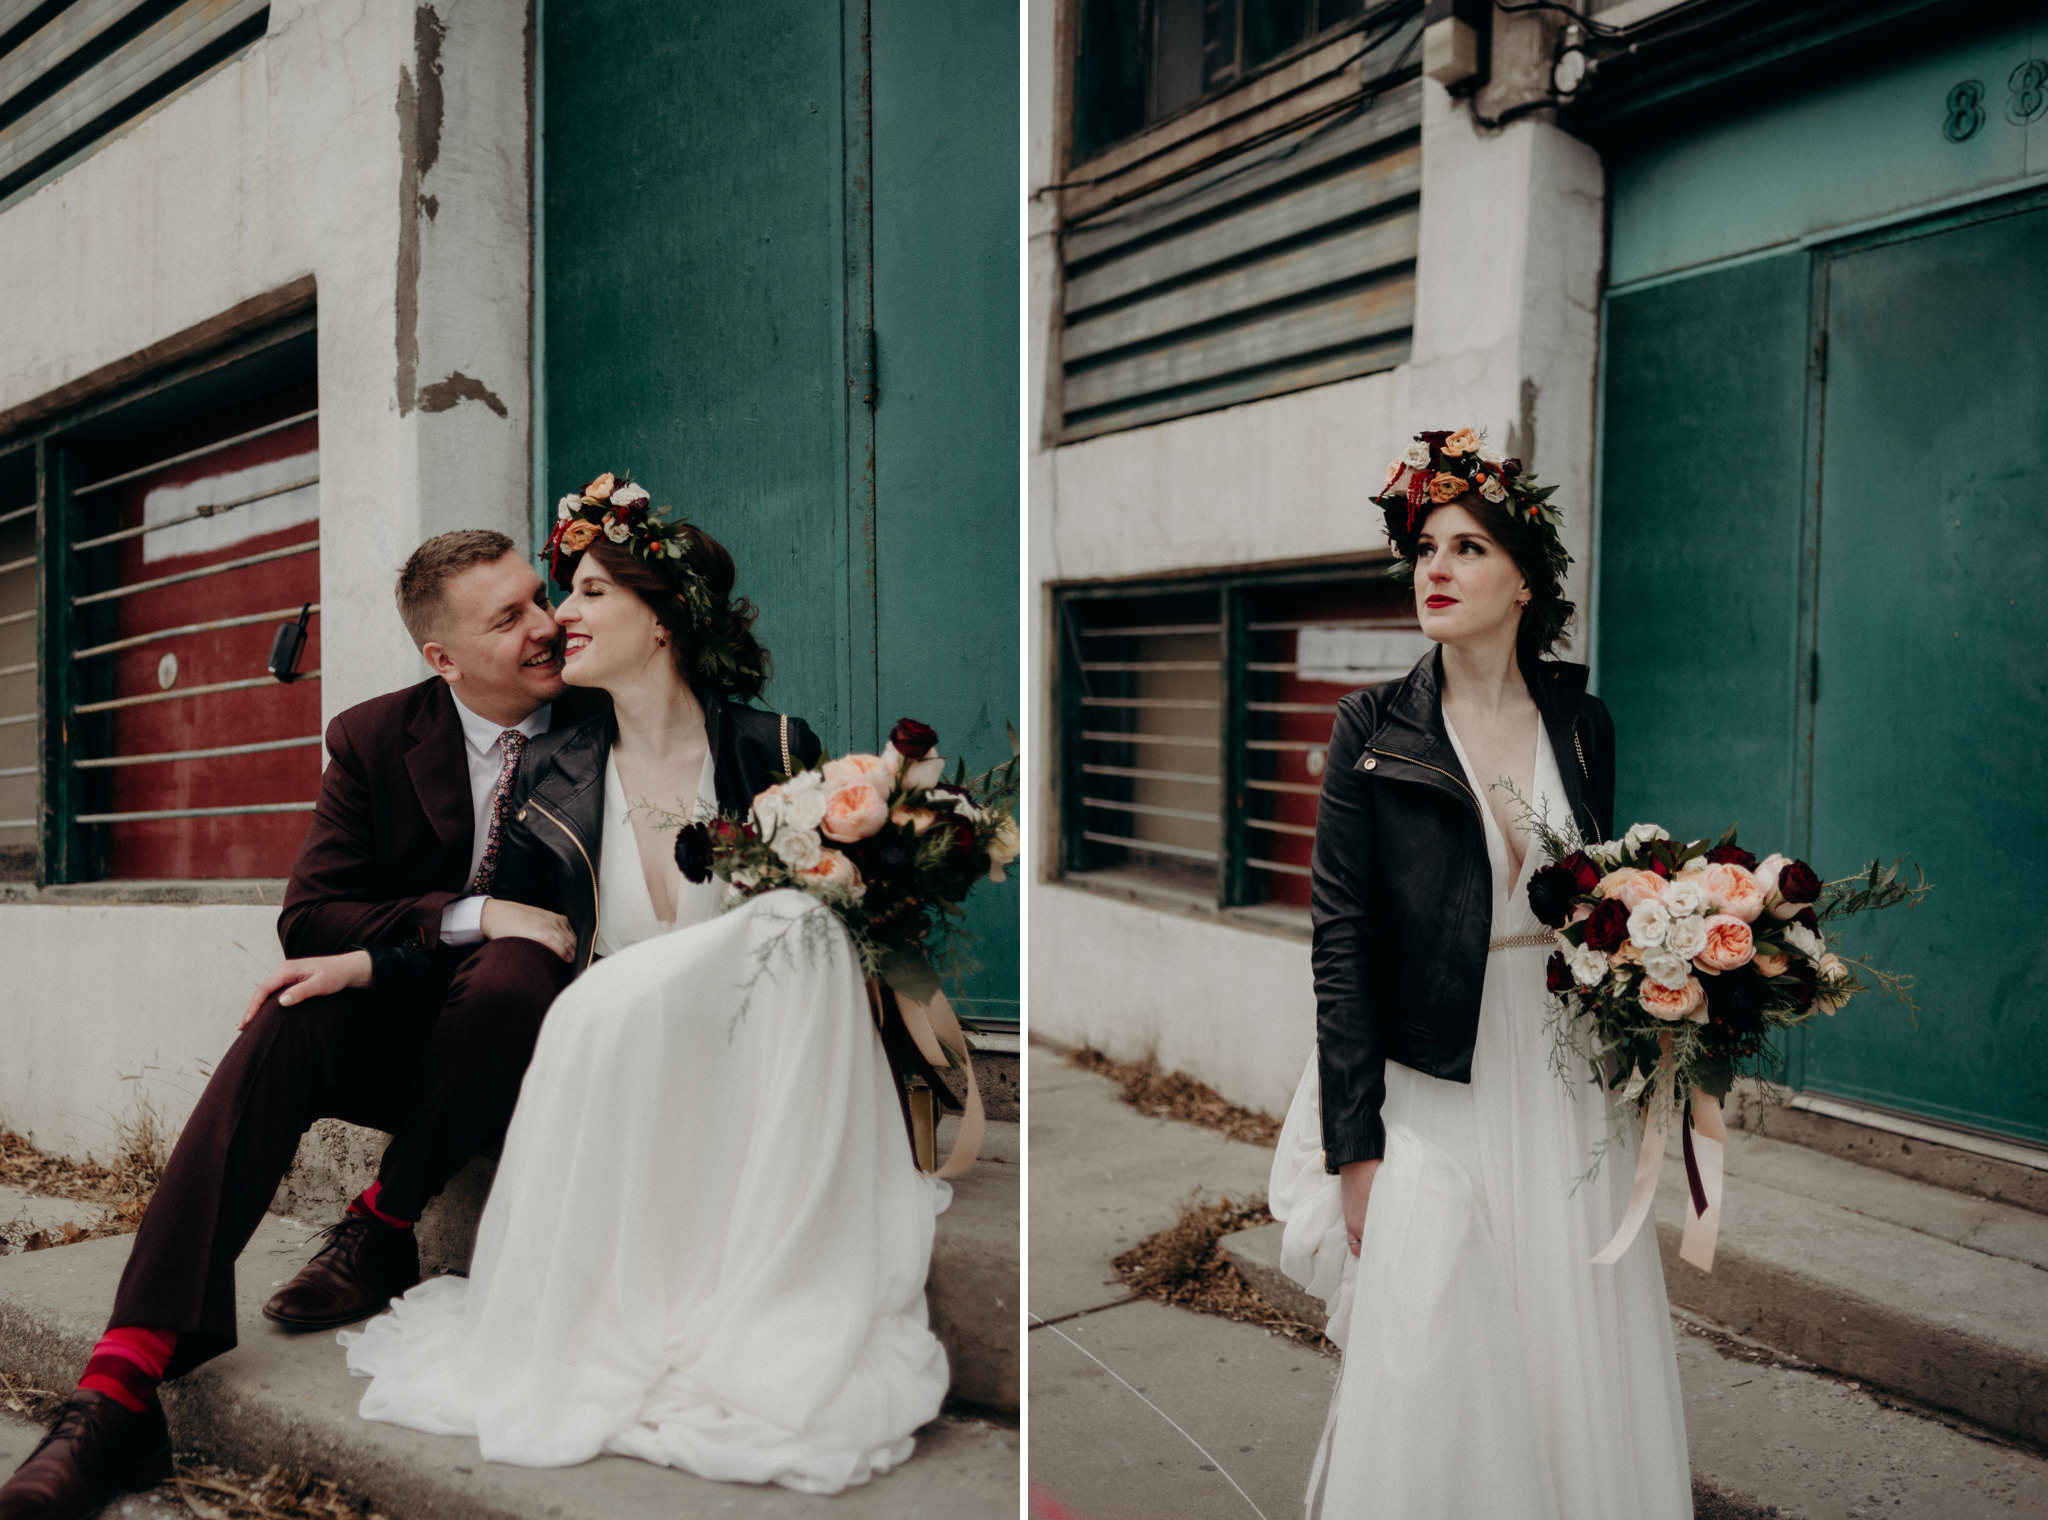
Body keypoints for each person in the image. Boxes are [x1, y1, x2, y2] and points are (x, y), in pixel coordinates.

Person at [337, 477, 954, 1495]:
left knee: (800, 916)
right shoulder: (549, 774)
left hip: (759, 1076)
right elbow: (505, 931)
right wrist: (365, 957)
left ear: (661, 617)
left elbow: (853, 930)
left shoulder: (776, 747)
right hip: (631, 1071)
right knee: (607, 995)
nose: (557, 618)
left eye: (584, 593)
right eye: (556, 597)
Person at [0, 530, 609, 1520]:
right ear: (441, 657)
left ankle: (382, 1220)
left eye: (539, 596)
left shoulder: (603, 718)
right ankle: (119, 1382)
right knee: (289, 1010)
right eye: (508, 617)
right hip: (421, 1035)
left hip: (546, 1043)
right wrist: (468, 912)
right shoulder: (374, 737)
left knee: (509, 973)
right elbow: (311, 916)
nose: (547, 625)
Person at [1267, 430, 1691, 1519]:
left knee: (1566, 1330)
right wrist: (1349, 1145)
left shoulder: (1581, 725)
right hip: (1433, 1072)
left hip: (1555, 1073)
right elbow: (1341, 944)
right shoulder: (1370, 729)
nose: (1435, 569)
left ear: (1523, 580)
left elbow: (1607, 900)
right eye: (1423, 549)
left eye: (1466, 547)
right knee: (1433, 1347)